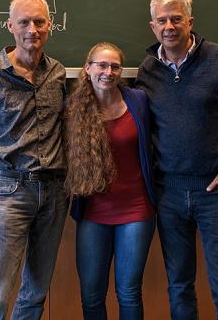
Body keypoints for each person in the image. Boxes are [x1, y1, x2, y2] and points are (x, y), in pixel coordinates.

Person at [135, 0, 218, 320]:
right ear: (152, 26)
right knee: (179, 285)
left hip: (215, 192)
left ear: (190, 21)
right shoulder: (147, 69)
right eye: (162, 20)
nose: (169, 26)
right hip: (168, 194)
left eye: (176, 18)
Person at [0, 0, 68, 320]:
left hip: (53, 194)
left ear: (49, 25)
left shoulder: (58, 74)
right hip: (10, 192)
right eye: (24, 22)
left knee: (35, 293)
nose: (32, 29)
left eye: (39, 22)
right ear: (10, 26)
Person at [64, 42, 155, 320]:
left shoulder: (138, 100)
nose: (109, 71)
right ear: (88, 68)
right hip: (93, 213)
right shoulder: (73, 108)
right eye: (102, 65)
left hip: (136, 211)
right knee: (91, 296)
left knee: (128, 293)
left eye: (115, 66)